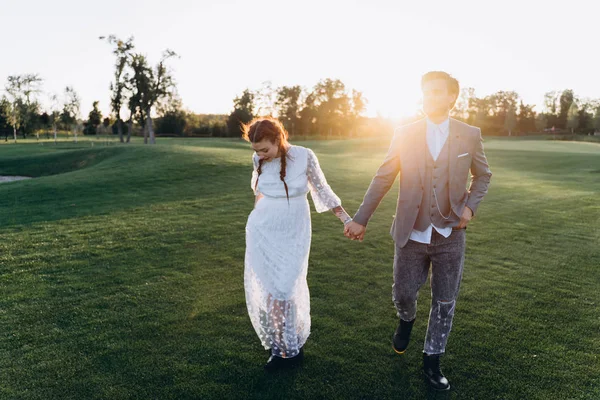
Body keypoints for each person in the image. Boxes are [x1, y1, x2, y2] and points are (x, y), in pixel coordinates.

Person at [344, 71, 492, 391]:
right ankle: (406, 319)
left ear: (452, 97)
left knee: (444, 299)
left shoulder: (469, 134)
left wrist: (469, 208)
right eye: (426, 92)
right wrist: (361, 218)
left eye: (437, 92)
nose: (430, 97)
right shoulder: (404, 133)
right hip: (411, 232)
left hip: (451, 232)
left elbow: (483, 175)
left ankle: (432, 360)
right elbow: (383, 177)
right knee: (404, 293)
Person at [242, 117, 352, 370]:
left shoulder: (304, 156)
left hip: (294, 229)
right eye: (256, 150)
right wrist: (255, 223)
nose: (260, 154)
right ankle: (283, 348)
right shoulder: (258, 159)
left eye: (264, 149)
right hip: (263, 230)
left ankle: (290, 345)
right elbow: (259, 193)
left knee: (285, 289)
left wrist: (346, 218)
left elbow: (322, 189)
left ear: (278, 139)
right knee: (271, 291)